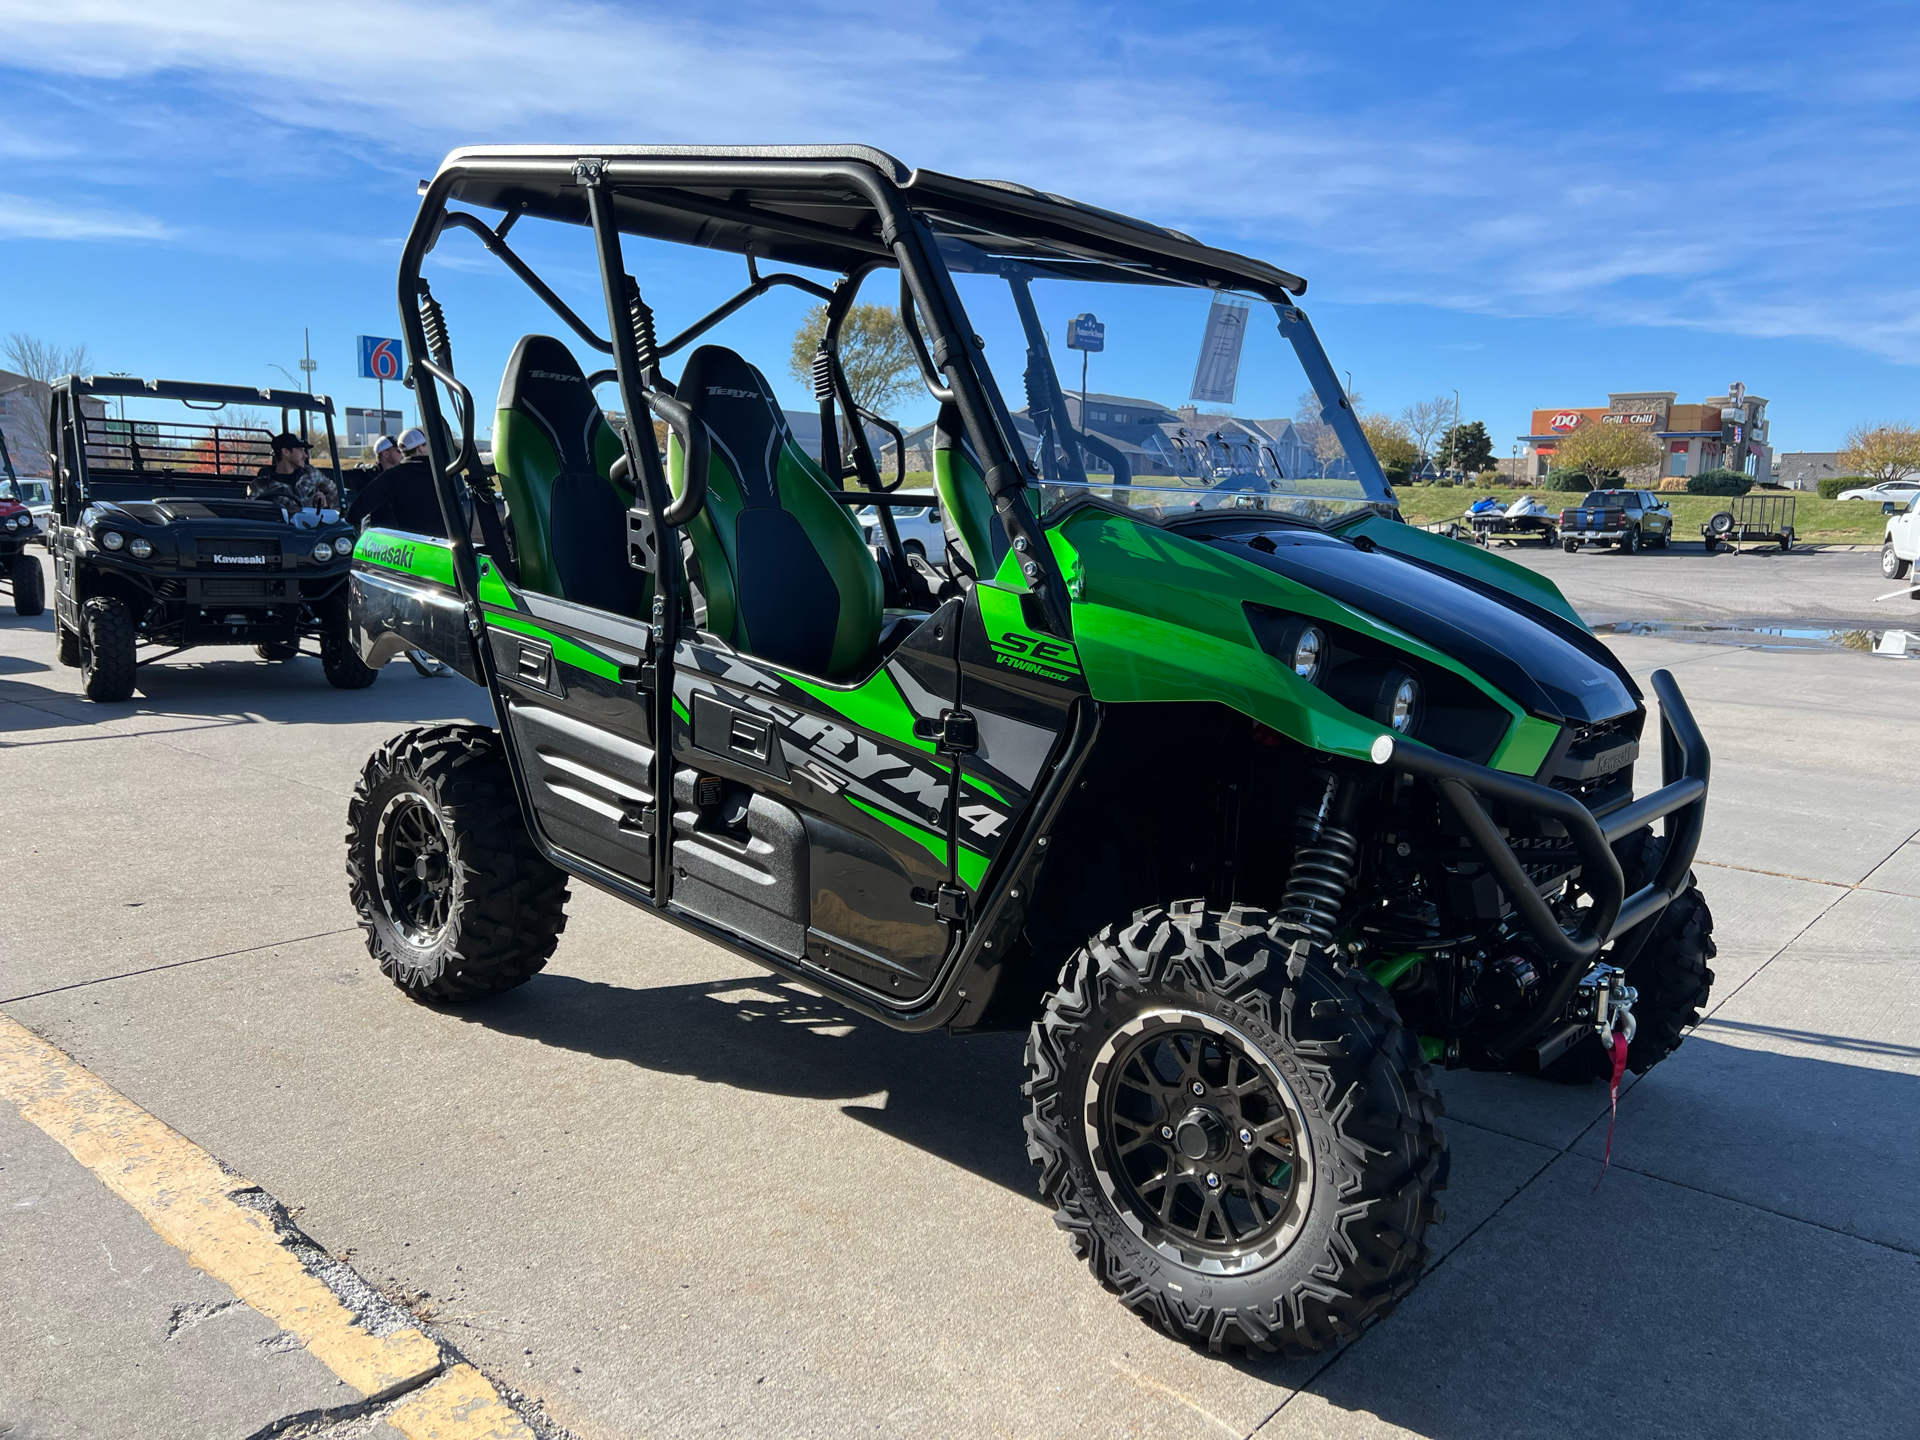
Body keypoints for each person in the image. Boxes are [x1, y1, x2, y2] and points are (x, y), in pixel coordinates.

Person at [253, 432, 341, 513]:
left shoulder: (311, 473)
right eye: (301, 450)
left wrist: (326, 503)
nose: (305, 456)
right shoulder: (261, 485)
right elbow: (252, 512)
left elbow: (336, 491)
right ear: (286, 452)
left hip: (314, 527)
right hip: (283, 529)